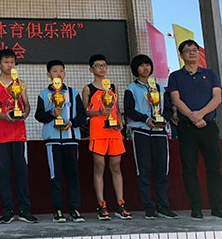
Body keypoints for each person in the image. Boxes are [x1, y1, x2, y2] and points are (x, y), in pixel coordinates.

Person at [167, 39, 222, 220]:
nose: (192, 53)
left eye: (195, 50)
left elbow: (217, 98)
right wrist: (192, 117)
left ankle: (217, 207)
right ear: (181, 55)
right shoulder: (175, 76)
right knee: (189, 168)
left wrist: (200, 115)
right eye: (188, 50)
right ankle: (196, 208)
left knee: (214, 168)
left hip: (208, 127)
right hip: (187, 128)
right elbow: (176, 99)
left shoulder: (210, 74)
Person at [0, 48, 37, 224]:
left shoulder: (20, 83)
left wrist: (24, 114)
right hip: (0, 135)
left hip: (19, 134)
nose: (9, 65)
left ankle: (24, 209)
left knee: (22, 172)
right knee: (4, 173)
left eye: (12, 62)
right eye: (6, 62)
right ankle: (7, 210)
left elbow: (27, 105)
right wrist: (3, 116)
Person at [124, 54, 178, 220]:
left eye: (147, 64)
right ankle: (149, 207)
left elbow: (168, 108)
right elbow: (129, 110)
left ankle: (164, 206)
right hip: (141, 132)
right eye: (141, 65)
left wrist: (164, 119)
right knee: (144, 170)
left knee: (162, 170)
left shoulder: (160, 88)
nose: (145, 68)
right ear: (136, 69)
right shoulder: (131, 89)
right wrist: (146, 119)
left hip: (160, 133)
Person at [35, 59, 87, 223]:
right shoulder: (43, 94)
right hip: (53, 141)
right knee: (55, 175)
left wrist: (71, 123)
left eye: (61, 71)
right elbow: (39, 116)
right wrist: (52, 114)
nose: (58, 74)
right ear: (48, 74)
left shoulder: (73, 93)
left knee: (73, 174)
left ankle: (74, 209)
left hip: (71, 139)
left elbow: (82, 115)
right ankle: (57, 210)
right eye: (55, 71)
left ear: (65, 73)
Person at [82, 54, 132, 221]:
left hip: (113, 132)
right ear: (91, 69)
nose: (102, 68)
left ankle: (120, 204)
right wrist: (99, 112)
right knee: (99, 166)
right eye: (98, 65)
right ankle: (101, 204)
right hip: (98, 131)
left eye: (104, 65)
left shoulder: (112, 87)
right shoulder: (88, 88)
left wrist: (120, 122)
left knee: (116, 166)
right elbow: (85, 112)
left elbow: (116, 108)